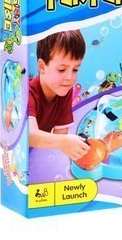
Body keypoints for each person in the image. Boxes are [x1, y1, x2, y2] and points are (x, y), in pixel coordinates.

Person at [28, 30, 90, 161]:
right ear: (42, 67)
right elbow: (30, 135)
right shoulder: (28, 93)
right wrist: (63, 142)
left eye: (75, 69)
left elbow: (61, 135)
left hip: (35, 158)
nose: (69, 77)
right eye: (62, 69)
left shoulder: (64, 91)